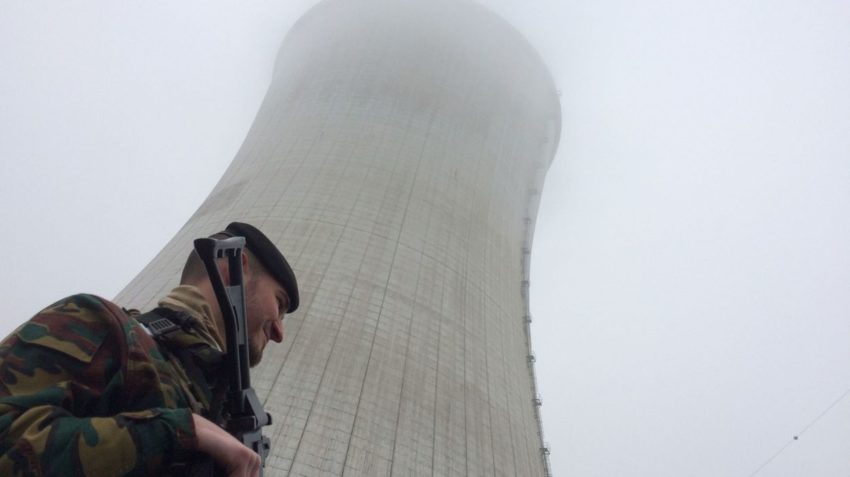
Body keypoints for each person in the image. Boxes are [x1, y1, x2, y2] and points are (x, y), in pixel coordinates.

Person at [0, 222, 299, 477]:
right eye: (280, 303)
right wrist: (177, 434)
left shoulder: (217, 404)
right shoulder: (102, 325)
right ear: (234, 270)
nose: (279, 332)